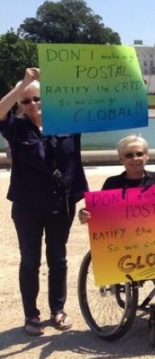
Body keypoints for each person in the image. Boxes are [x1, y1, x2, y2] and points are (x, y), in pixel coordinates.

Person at [79, 135, 155, 327]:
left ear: (147, 156)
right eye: (129, 155)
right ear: (121, 159)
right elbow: (98, 213)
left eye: (139, 154)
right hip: (129, 247)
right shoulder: (112, 184)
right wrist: (85, 214)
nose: (135, 158)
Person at [0, 67, 89, 336]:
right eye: (26, 101)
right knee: (30, 260)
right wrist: (23, 84)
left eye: (37, 98)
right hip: (28, 204)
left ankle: (57, 309)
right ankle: (32, 315)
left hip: (60, 202)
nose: (33, 105)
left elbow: (94, 105)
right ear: (19, 105)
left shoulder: (67, 123)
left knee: (58, 259)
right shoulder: (16, 128)